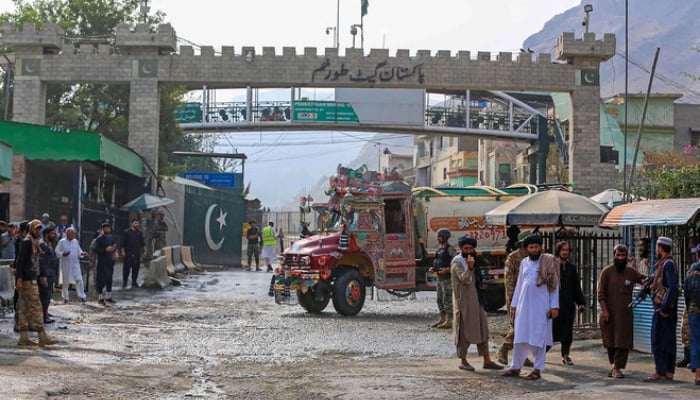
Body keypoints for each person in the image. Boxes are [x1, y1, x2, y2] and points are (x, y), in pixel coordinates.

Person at [501, 234, 559, 380]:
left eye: (536, 247)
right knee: (519, 337)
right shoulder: (524, 263)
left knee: (539, 338)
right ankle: (515, 367)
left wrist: (554, 306)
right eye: (531, 247)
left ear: (541, 248)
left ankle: (537, 369)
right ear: (527, 249)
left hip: (541, 307)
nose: (534, 250)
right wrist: (514, 305)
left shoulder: (548, 261)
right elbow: (520, 285)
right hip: (523, 306)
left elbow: (554, 286)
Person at [451, 236, 503, 371]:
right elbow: (464, 279)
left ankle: (487, 360)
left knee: (482, 329)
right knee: (463, 332)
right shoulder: (457, 263)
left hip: (477, 300)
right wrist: (469, 267)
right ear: (461, 249)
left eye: (471, 248)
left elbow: (477, 278)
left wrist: (482, 284)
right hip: (464, 303)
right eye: (466, 248)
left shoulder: (475, 261)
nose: (469, 251)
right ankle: (463, 360)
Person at [597, 244, 645, 378]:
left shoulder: (630, 272)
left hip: (624, 316)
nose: (620, 258)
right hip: (609, 314)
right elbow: (600, 294)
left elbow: (643, 280)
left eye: (623, 255)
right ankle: (614, 366)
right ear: (614, 255)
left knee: (623, 343)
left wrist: (653, 279)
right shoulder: (606, 272)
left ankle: (617, 367)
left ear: (626, 257)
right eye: (618, 255)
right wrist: (604, 310)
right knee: (610, 342)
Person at [14, 219, 58, 346]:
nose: (38, 231)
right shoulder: (27, 242)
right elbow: (20, 261)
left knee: (24, 308)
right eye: (36, 228)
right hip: (27, 279)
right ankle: (42, 336)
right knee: (36, 307)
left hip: (29, 278)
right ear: (31, 229)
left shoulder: (33, 242)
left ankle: (23, 337)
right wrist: (19, 279)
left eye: (39, 228)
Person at [644, 236, 679, 383]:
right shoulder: (667, 263)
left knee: (658, 340)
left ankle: (661, 371)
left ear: (660, 248)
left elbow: (672, 287)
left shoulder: (667, 264)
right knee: (668, 340)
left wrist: (664, 307)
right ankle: (668, 371)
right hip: (667, 309)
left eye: (657, 247)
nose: (656, 250)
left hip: (664, 310)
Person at [497, 230, 533, 366]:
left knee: (526, 327)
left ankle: (522, 355)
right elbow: (509, 280)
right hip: (516, 297)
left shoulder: (532, 257)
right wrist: (513, 300)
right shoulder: (513, 258)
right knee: (517, 325)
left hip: (529, 296)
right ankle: (504, 348)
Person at [552, 240, 586, 366]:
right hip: (555, 305)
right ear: (558, 251)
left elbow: (576, 286)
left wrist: (581, 302)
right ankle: (540, 354)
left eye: (567, 250)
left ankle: (565, 355)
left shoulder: (571, 268)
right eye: (563, 250)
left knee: (567, 332)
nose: (565, 252)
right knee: (551, 331)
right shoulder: (552, 266)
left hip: (568, 305)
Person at [429, 228, 457, 329]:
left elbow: (457, 263)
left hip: (447, 279)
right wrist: (433, 268)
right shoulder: (440, 249)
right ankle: (443, 318)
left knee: (447, 299)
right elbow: (437, 261)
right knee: (440, 299)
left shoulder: (450, 249)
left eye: (440, 237)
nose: (438, 238)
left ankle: (449, 320)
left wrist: (447, 269)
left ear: (445, 237)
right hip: (440, 278)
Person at [56, 227, 88, 303]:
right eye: (70, 234)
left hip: (75, 264)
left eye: (73, 234)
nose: (72, 235)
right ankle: (65, 298)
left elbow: (79, 252)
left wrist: (83, 254)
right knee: (65, 282)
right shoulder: (62, 242)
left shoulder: (75, 241)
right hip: (66, 264)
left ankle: (82, 296)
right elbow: (57, 252)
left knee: (79, 280)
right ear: (66, 234)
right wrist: (63, 254)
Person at [683, 243, 700, 385]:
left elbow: (686, 291)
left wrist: (689, 306)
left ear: (697, 255)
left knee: (696, 341)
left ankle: (698, 375)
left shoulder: (691, 270)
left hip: (694, 310)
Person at [38, 226, 59, 324]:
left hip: (50, 273)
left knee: (48, 295)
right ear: (46, 234)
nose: (54, 235)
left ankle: (45, 312)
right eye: (52, 233)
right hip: (46, 274)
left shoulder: (48, 244)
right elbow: (42, 261)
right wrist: (44, 275)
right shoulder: (42, 244)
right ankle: (43, 316)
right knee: (44, 295)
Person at [94, 222, 119, 305]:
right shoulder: (99, 239)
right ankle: (100, 297)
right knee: (101, 279)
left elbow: (114, 246)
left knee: (109, 279)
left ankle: (109, 296)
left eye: (108, 228)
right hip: (102, 261)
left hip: (110, 261)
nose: (107, 229)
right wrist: (105, 250)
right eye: (106, 228)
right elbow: (97, 250)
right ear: (103, 229)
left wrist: (115, 252)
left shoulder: (111, 238)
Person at [121, 218, 146, 289]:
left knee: (136, 268)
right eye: (135, 223)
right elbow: (123, 243)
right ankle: (125, 281)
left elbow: (143, 243)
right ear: (131, 224)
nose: (137, 224)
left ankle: (134, 282)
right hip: (128, 253)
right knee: (126, 269)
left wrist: (144, 251)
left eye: (137, 223)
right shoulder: (127, 232)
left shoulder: (139, 233)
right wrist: (123, 251)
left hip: (136, 253)